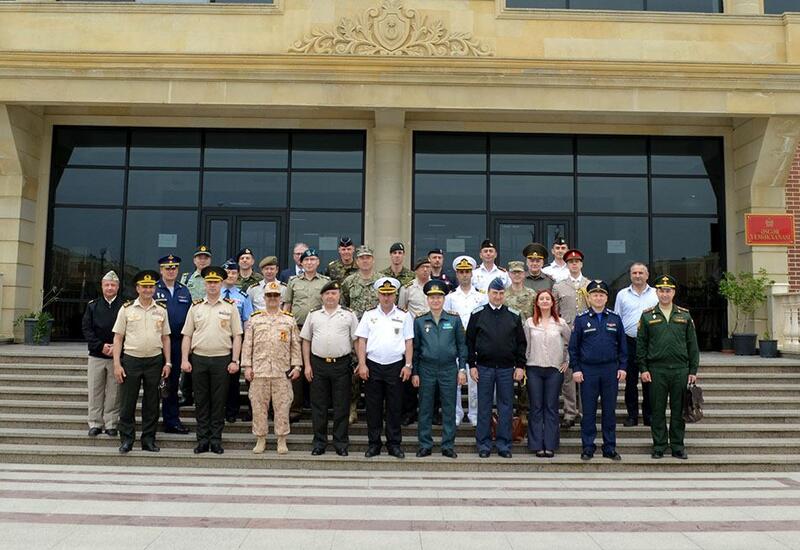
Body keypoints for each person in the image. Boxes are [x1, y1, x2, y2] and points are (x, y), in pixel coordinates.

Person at [180, 266, 243, 454]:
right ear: (205, 284)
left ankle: (215, 440)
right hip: (199, 358)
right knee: (201, 401)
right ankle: (202, 440)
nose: (212, 285)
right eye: (209, 282)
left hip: (222, 359)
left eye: (216, 282)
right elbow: (187, 335)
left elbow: (237, 336)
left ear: (221, 284)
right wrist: (184, 359)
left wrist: (235, 360)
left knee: (218, 401)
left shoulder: (230, 307)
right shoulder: (196, 306)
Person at [637, 275, 700, 460]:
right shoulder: (647, 316)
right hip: (656, 370)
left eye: (668, 291)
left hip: (680, 370)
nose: (665, 294)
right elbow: (641, 345)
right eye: (661, 291)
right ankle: (659, 445)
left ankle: (678, 446)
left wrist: (693, 370)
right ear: (656, 293)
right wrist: (643, 368)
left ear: (673, 292)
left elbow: (692, 345)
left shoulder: (684, 315)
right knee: (657, 410)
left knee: (679, 410)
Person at [112, 270, 171, 454]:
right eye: (144, 286)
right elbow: (118, 338)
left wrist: (168, 362)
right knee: (127, 403)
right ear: (137, 288)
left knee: (152, 404)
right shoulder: (126, 309)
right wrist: (117, 364)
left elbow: (166, 338)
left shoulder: (161, 310)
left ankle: (148, 440)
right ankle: (127, 440)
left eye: (151, 286)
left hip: (154, 360)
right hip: (131, 360)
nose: (147, 290)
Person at [466, 277, 526, 459]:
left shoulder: (513, 315)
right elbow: (469, 342)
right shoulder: (477, 314)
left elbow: (521, 343)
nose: (498, 296)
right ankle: (483, 444)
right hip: (484, 367)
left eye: (501, 293)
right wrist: (472, 365)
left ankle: (504, 444)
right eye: (494, 293)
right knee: (484, 407)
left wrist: (520, 366)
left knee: (506, 407)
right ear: (488, 293)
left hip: (507, 369)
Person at [355, 277, 414, 459]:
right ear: (378, 295)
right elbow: (362, 341)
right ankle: (374, 444)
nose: (386, 298)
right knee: (373, 408)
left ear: (395, 295)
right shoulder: (369, 315)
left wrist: (408, 365)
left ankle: (394, 444)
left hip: (396, 366)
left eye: (390, 294)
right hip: (373, 365)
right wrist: (362, 364)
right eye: (383, 294)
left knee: (395, 407)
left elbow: (409, 341)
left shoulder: (404, 315)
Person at [569, 280, 627, 461]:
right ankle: (588, 447)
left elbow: (623, 346)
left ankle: (609, 447)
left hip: (610, 370)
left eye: (602, 295)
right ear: (589, 297)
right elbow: (573, 348)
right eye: (595, 295)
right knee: (588, 412)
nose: (598, 298)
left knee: (609, 412)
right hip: (588, 370)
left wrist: (623, 367)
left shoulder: (615, 318)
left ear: (607, 298)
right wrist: (576, 369)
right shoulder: (581, 319)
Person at [242, 281, 301, 455]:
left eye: (275, 295)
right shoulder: (255, 319)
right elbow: (248, 344)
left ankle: (281, 439)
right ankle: (260, 438)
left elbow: (295, 345)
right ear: (264, 297)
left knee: (282, 407)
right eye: (269, 295)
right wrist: (247, 366)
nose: (272, 298)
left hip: (282, 371)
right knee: (258, 407)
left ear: (280, 298)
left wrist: (297, 365)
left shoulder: (288, 319)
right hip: (259, 370)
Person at [301, 280, 359, 456]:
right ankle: (319, 442)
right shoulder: (313, 314)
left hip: (341, 365)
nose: (330, 296)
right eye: (327, 293)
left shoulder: (349, 314)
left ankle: (340, 443)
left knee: (342, 405)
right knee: (319, 405)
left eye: (334, 293)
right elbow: (306, 340)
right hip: (318, 364)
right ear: (322, 296)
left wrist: (361, 362)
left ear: (339, 295)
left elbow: (356, 340)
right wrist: (307, 365)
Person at [412, 280, 467, 459]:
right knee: (425, 407)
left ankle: (448, 445)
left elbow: (462, 346)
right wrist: (415, 372)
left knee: (449, 408)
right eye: (432, 298)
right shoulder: (420, 321)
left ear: (444, 299)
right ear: (427, 300)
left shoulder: (454, 319)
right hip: (426, 369)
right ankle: (425, 445)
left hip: (449, 369)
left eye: (439, 297)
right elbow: (416, 349)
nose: (435, 301)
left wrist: (462, 369)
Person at [283, 248, 330, 421]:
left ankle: (316, 407)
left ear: (318, 262)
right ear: (301, 263)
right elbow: (287, 305)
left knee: (316, 366)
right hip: (297, 328)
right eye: (306, 260)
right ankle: (296, 408)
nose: (309, 263)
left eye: (313, 259)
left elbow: (330, 304)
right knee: (296, 366)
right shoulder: (293, 281)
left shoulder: (325, 281)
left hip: (318, 329)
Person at [523, 289, 571, 458]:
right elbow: (525, 344)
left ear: (552, 303)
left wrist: (567, 361)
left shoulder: (560, 323)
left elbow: (571, 342)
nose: (544, 301)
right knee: (536, 407)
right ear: (536, 302)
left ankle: (550, 445)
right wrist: (523, 365)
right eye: (541, 299)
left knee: (551, 406)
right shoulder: (529, 322)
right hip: (534, 368)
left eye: (547, 299)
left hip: (554, 369)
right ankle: (536, 444)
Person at [443, 255, 487, 427]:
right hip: (456, 343)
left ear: (472, 273)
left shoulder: (481, 297)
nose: (464, 275)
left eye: (467, 271)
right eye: (461, 272)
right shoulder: (450, 298)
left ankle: (474, 413)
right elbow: (446, 322)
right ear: (456, 274)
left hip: (475, 343)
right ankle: (457, 412)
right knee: (455, 379)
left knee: (474, 379)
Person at [615, 262, 658, 427]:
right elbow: (617, 319)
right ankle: (632, 416)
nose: (638, 276)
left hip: (650, 343)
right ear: (630, 275)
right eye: (634, 273)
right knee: (630, 382)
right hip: (629, 341)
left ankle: (649, 415)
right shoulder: (622, 295)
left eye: (641, 273)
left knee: (649, 381)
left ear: (647, 275)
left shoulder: (656, 293)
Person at [340, 245, 380, 424]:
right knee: (354, 371)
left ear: (373, 260)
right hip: (356, 335)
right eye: (362, 258)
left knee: (377, 370)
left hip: (377, 334)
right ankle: (352, 406)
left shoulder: (381, 281)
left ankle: (377, 408)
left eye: (368, 257)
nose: (365, 260)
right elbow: (344, 305)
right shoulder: (349, 281)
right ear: (357, 261)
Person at [82, 270, 123, 437]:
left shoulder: (125, 306)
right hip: (96, 355)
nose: (110, 288)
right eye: (107, 285)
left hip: (117, 356)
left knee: (114, 392)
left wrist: (116, 348)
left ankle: (111, 423)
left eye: (113, 285)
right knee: (95, 390)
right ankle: (95, 423)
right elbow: (86, 329)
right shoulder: (93, 305)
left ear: (118, 287)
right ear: (102, 286)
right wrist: (100, 346)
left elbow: (129, 330)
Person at [155, 254, 192, 435]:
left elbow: (191, 317)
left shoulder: (184, 290)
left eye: (174, 268)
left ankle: (171, 421)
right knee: (153, 383)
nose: (171, 271)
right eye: (167, 268)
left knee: (171, 383)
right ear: (161, 270)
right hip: (156, 343)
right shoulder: (153, 289)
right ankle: (151, 421)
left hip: (177, 343)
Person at [552, 248, 590, 429]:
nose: (574, 264)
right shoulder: (559, 286)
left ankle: (585, 411)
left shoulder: (590, 285)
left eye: (577, 262)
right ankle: (569, 412)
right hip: (566, 335)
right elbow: (555, 312)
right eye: (571, 262)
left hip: (587, 335)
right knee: (568, 376)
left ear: (581, 264)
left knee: (585, 375)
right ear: (567, 265)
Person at [221, 259, 254, 423]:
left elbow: (247, 321)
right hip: (217, 341)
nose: (230, 275)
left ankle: (232, 411)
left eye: (234, 273)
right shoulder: (213, 294)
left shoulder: (243, 296)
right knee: (218, 379)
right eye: (227, 272)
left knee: (233, 379)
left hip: (236, 341)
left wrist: (247, 342)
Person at [178, 245, 211, 407]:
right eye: (199, 257)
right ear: (194, 260)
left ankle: (202, 395)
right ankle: (186, 394)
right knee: (188, 358)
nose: (202, 260)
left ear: (209, 260)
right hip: (191, 322)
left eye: (205, 258)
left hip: (209, 323)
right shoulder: (187, 278)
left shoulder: (213, 278)